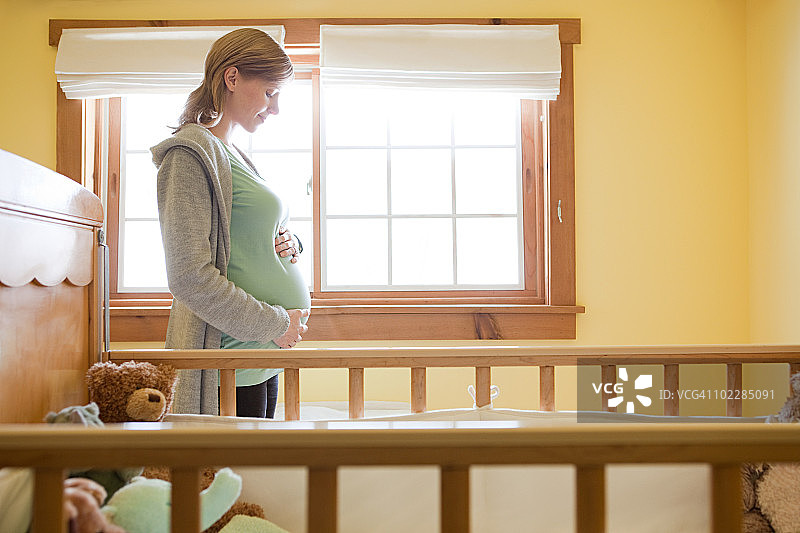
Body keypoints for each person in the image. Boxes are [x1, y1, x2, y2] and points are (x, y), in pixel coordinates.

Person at [151, 28, 310, 418]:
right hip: (231, 359)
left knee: (255, 478)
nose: (275, 109)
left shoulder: (229, 152)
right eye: (270, 92)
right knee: (230, 478)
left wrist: (291, 244)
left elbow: (245, 239)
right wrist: (273, 323)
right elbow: (188, 275)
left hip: (258, 356)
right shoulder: (190, 156)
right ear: (232, 77)